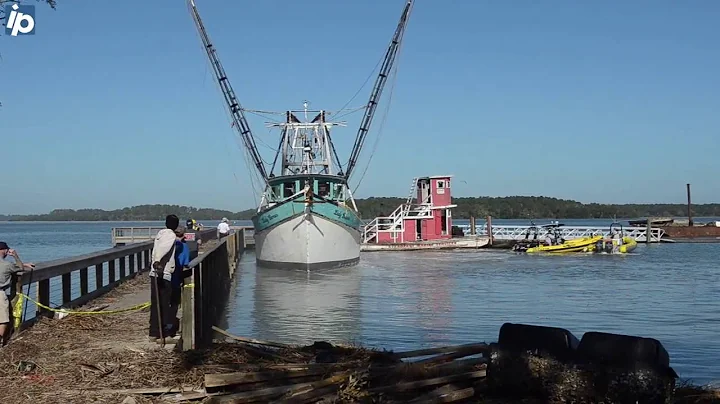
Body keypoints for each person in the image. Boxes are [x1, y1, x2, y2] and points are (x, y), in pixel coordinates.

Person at [149, 214, 179, 343]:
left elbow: (156, 249)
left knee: (156, 303)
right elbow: (163, 249)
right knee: (165, 304)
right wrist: (157, 261)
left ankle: (154, 332)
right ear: (176, 225)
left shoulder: (160, 234)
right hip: (163, 272)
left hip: (154, 273)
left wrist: (154, 262)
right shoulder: (170, 235)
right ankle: (165, 334)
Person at [0, 242, 35, 346]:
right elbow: (20, 268)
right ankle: (1, 341)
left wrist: (23, 264)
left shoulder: (7, 265)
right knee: (3, 319)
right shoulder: (7, 265)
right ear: (5, 250)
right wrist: (15, 256)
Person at [167, 226, 191, 338]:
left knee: (164, 302)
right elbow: (186, 263)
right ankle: (171, 325)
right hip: (176, 279)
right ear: (184, 235)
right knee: (174, 303)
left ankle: (164, 324)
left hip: (164, 277)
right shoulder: (184, 246)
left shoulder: (167, 245)